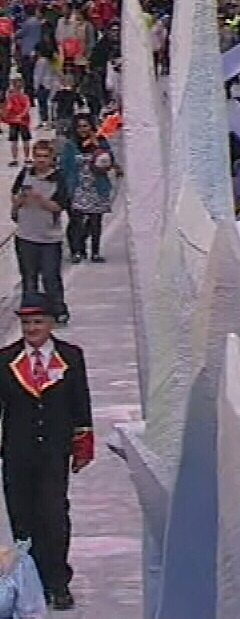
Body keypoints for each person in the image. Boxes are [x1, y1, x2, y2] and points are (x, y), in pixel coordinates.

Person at [0, 293, 92, 611]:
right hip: (16, 453)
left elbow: (81, 403)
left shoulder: (71, 357)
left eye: (38, 322)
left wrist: (82, 445)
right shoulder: (6, 359)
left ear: (51, 323)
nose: (31, 329)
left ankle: (58, 582)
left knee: (53, 516)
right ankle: (30, 581)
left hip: (54, 452)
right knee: (22, 519)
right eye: (26, 323)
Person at [9, 145, 68, 325]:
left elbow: (60, 206)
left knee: (50, 276)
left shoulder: (58, 178)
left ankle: (57, 310)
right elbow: (14, 196)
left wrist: (40, 198)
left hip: (49, 238)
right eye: (38, 156)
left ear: (51, 158)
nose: (41, 160)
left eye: (45, 156)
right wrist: (19, 201)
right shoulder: (26, 174)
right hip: (25, 235)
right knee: (28, 276)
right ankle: (29, 311)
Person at [55, 118, 112, 266]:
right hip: (77, 187)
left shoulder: (100, 141)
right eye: (79, 126)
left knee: (95, 221)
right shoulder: (70, 145)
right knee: (76, 221)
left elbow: (109, 160)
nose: (83, 129)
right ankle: (76, 250)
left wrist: (97, 145)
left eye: (86, 126)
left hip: (96, 186)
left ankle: (95, 251)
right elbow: (64, 166)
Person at [0, 79, 29, 166]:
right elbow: (7, 108)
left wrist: (20, 115)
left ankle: (25, 158)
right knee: (15, 141)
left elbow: (26, 107)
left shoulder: (24, 97)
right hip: (15, 121)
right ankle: (15, 158)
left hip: (22, 121)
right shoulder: (11, 97)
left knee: (24, 140)